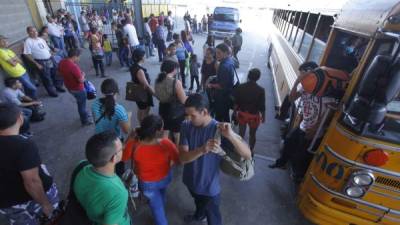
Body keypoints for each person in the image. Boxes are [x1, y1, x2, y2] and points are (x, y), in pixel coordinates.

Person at [179, 94, 251, 225]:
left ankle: (203, 215)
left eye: (192, 115)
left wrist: (231, 136)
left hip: (209, 187)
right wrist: (202, 150)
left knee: (214, 218)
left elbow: (247, 154)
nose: (189, 119)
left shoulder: (219, 130)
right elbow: (182, 159)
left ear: (204, 112)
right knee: (198, 203)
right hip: (190, 180)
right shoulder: (186, 125)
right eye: (187, 115)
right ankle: (200, 215)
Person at [269, 62, 337, 181]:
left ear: (309, 72)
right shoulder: (306, 87)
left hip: (315, 130)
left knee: (302, 153)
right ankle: (281, 163)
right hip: (304, 124)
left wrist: (316, 128)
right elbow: (291, 98)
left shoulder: (325, 90)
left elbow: (330, 111)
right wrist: (296, 82)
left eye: (302, 73)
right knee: (289, 141)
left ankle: (298, 175)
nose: (300, 76)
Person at [0, 102, 59, 225]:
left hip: (7, 203)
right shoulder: (23, 145)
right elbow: (32, 181)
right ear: (20, 118)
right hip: (29, 200)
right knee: (53, 218)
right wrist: (45, 204)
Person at [122, 115, 179, 225]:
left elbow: (123, 157)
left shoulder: (134, 144)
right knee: (162, 194)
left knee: (156, 208)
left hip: (146, 183)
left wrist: (130, 137)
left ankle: (160, 215)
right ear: (158, 131)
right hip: (165, 177)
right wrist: (166, 164)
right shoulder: (166, 143)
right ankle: (161, 207)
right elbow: (177, 159)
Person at [74, 131, 131, 225]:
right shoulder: (119, 194)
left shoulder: (81, 167)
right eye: (121, 148)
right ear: (114, 158)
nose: (124, 148)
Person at [23, 26, 65, 97]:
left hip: (50, 58)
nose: (34, 32)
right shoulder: (28, 41)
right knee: (46, 78)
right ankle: (52, 92)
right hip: (41, 61)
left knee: (56, 74)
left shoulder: (40, 39)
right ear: (28, 33)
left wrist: (52, 56)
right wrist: (36, 64)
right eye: (31, 31)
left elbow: (47, 49)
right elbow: (27, 54)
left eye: (35, 31)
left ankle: (58, 86)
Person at [232, 68, 265, 154]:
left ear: (248, 76)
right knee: (252, 134)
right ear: (258, 78)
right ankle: (250, 150)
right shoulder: (261, 90)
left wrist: (235, 112)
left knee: (241, 133)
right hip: (254, 116)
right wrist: (263, 116)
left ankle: (239, 149)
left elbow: (236, 102)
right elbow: (262, 106)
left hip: (242, 114)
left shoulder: (241, 87)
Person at [155, 60, 187, 145]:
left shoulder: (158, 80)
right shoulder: (175, 82)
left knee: (165, 131)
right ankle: (175, 152)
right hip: (175, 112)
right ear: (173, 69)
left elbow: (157, 95)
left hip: (162, 108)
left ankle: (163, 150)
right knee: (177, 134)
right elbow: (183, 100)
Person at [58, 49, 92, 126]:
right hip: (78, 89)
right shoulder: (73, 67)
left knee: (80, 103)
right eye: (78, 57)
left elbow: (59, 72)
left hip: (69, 87)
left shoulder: (62, 62)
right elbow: (81, 80)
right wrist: (83, 75)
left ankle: (84, 114)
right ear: (74, 57)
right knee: (81, 105)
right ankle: (84, 120)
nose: (79, 58)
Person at [208, 43, 235, 122]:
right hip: (227, 95)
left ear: (226, 53)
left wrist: (210, 85)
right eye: (216, 52)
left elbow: (221, 86)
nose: (216, 55)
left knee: (220, 117)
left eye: (219, 53)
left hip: (222, 97)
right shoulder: (230, 60)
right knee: (225, 115)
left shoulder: (223, 66)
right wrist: (214, 77)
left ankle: (223, 133)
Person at [130, 48, 154, 122]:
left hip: (137, 91)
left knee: (140, 109)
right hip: (143, 93)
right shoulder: (139, 70)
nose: (145, 56)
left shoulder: (133, 66)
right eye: (144, 55)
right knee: (145, 111)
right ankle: (144, 126)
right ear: (141, 57)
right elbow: (146, 85)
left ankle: (140, 124)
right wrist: (154, 93)